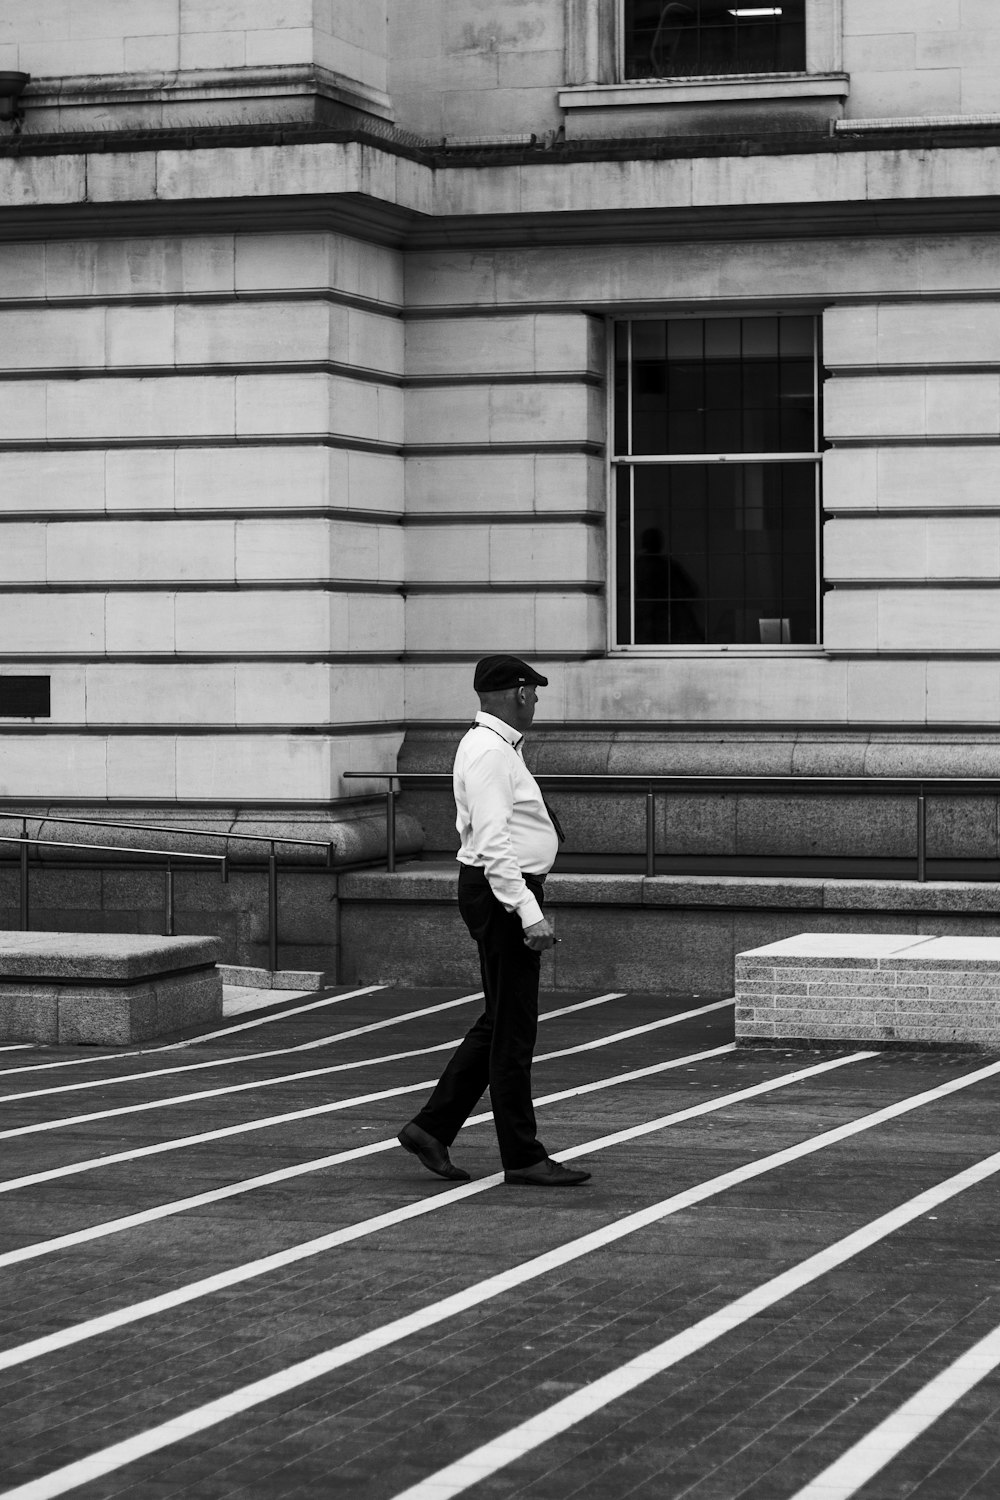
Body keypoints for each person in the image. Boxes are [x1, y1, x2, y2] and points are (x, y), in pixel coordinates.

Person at [398, 654, 590, 1188]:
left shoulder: (495, 747)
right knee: (513, 1030)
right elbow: (493, 845)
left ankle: (432, 1129)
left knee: (500, 1022)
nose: (537, 701)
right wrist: (529, 912)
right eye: (535, 692)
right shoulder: (487, 751)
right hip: (503, 894)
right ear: (520, 692)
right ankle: (522, 1155)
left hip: (500, 892)